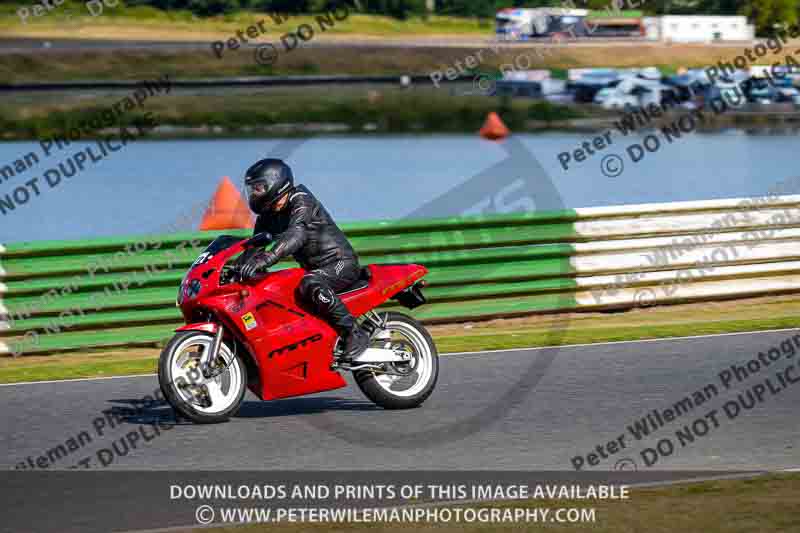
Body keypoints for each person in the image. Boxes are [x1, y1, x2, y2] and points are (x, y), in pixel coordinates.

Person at [238, 158, 370, 361]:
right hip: (315, 268)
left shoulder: (301, 199)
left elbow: (296, 234)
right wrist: (235, 268)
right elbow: (254, 246)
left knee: (311, 282)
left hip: (340, 262)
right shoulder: (268, 215)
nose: (254, 193)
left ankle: (354, 332)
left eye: (258, 187)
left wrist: (267, 258)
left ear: (275, 182)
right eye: (252, 189)